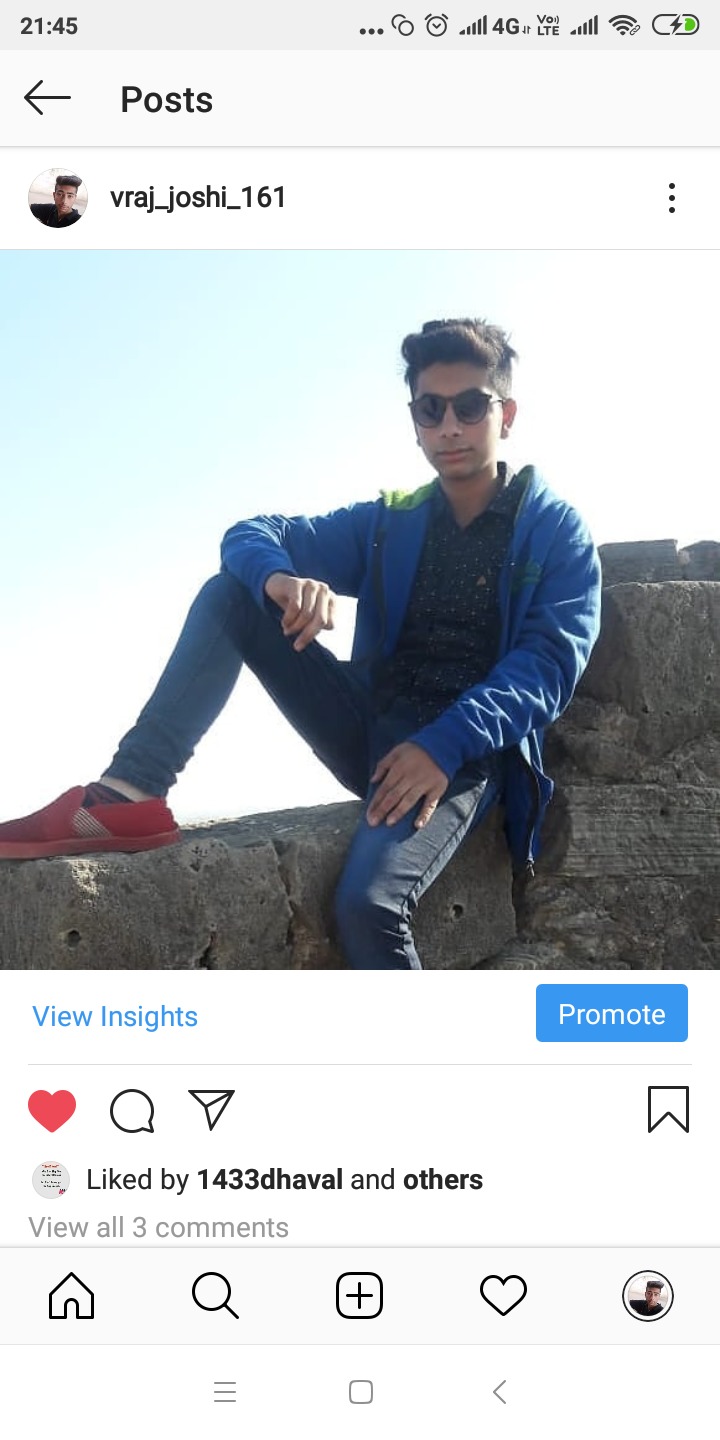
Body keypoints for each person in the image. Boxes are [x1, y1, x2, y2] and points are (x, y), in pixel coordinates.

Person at [0, 318, 602, 970]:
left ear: (505, 414)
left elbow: (548, 665)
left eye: (470, 407)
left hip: (462, 757)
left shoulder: (553, 529)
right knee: (233, 594)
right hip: (370, 727)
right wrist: (280, 579)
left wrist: (443, 744)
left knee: (368, 907)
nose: (449, 426)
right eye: (430, 409)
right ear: (415, 421)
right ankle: (131, 792)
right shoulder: (392, 521)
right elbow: (250, 532)